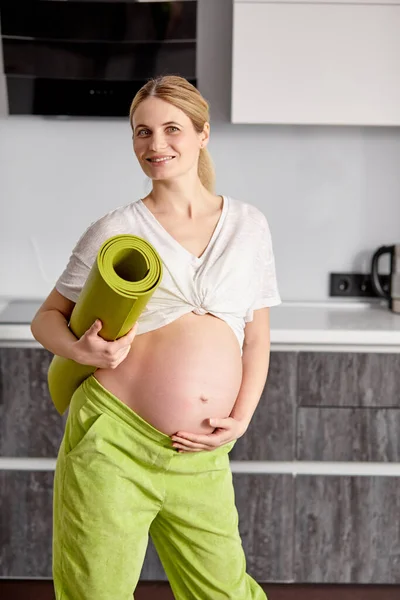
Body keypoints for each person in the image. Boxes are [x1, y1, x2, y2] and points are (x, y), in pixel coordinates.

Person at [30, 75, 281, 600]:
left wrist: (241, 419)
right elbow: (47, 318)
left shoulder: (248, 225)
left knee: (225, 593)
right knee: (95, 590)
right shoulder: (116, 228)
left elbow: (256, 337)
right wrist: (78, 349)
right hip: (112, 441)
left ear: (202, 134)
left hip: (201, 452)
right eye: (142, 132)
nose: (156, 145)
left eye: (171, 129)